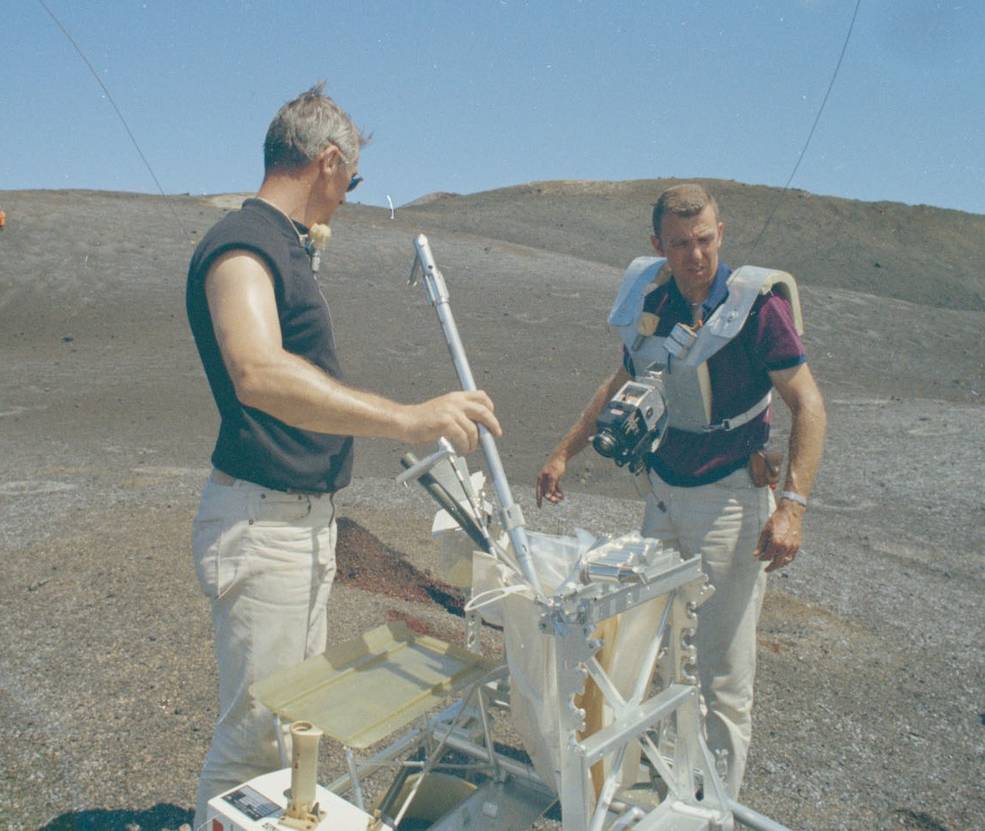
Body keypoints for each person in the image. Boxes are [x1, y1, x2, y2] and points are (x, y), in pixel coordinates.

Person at [185, 83, 501, 827]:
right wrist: (405, 418)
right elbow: (257, 371)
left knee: (285, 731)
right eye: (350, 182)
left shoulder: (277, 243)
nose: (346, 200)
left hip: (292, 525)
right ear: (328, 163)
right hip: (267, 526)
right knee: (255, 744)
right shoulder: (245, 242)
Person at [535, 183, 826, 797]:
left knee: (721, 668)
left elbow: (809, 404)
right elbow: (625, 376)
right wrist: (565, 451)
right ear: (657, 245)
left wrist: (793, 508)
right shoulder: (651, 297)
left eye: (704, 240)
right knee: (651, 650)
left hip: (729, 501)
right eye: (679, 244)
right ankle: (658, 788)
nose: (695, 256)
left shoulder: (755, 307)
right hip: (664, 493)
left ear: (721, 234)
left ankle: (712, 805)